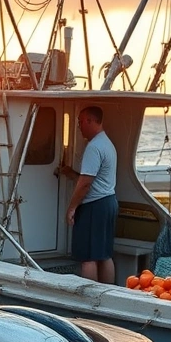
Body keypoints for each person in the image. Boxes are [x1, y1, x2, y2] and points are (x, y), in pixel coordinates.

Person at [60, 106, 118, 283]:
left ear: (90, 121)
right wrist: (70, 173)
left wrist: (72, 208)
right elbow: (94, 178)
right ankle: (110, 295)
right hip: (109, 202)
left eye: (80, 122)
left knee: (88, 257)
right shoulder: (107, 144)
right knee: (104, 255)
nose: (79, 126)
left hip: (94, 205)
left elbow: (86, 183)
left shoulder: (94, 147)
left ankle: (89, 301)